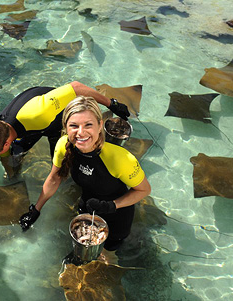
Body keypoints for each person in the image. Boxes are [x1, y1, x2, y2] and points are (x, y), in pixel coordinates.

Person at [19, 96, 151, 251]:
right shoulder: (63, 145)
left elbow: (144, 190)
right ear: (66, 127)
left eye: (88, 125)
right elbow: (55, 178)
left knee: (109, 250)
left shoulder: (121, 158)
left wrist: (111, 206)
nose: (80, 133)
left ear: (100, 125)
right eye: (73, 125)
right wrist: (36, 209)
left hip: (117, 213)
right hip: (87, 204)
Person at [0, 81, 130, 178]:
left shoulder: (39, 112)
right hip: (29, 127)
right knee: (18, 152)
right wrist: (11, 174)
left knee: (62, 156)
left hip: (54, 116)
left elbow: (76, 87)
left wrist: (111, 104)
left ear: (5, 144)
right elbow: (4, 153)